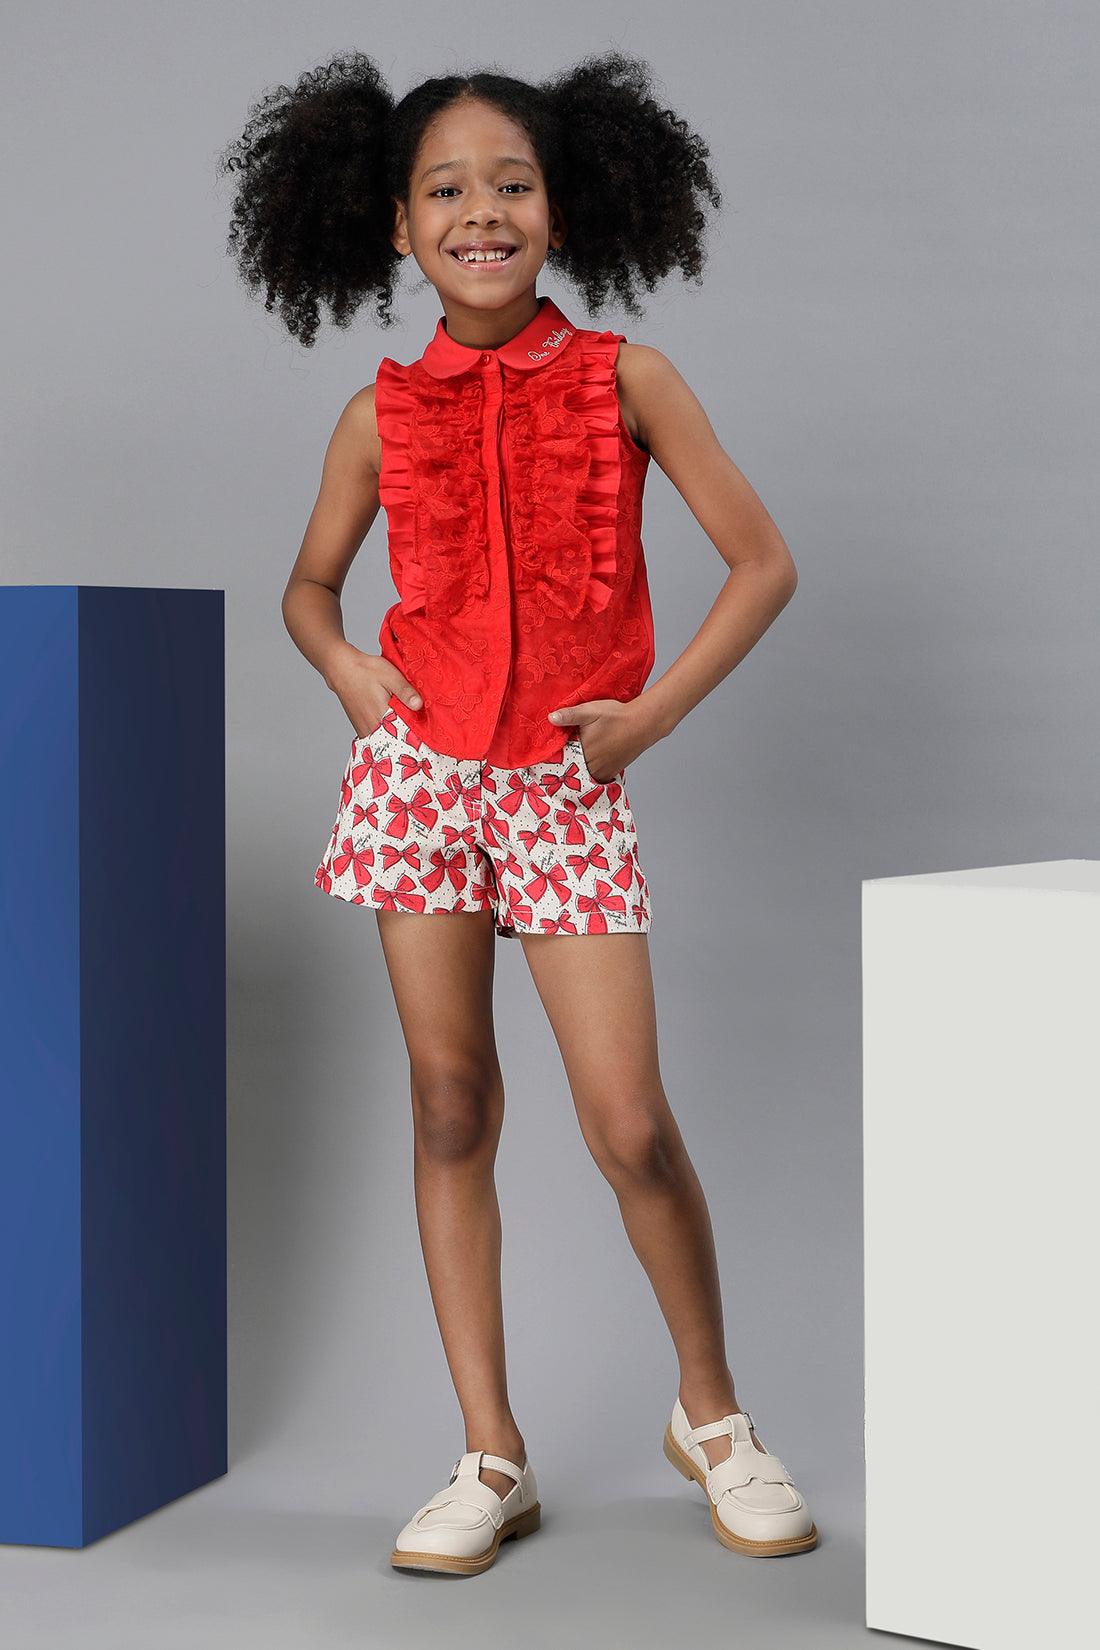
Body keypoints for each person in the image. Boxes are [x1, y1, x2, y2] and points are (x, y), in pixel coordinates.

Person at [220, 47, 817, 1575]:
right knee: (449, 1102)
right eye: (445, 190)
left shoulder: (628, 380)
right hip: (421, 781)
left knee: (629, 1123)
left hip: (563, 783)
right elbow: (308, 587)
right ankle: (491, 1451)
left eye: (511, 185)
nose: (480, 211)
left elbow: (763, 563)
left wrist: (649, 717)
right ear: (397, 228)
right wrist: (346, 667)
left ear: (560, 210)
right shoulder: (377, 412)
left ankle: (713, 1413)